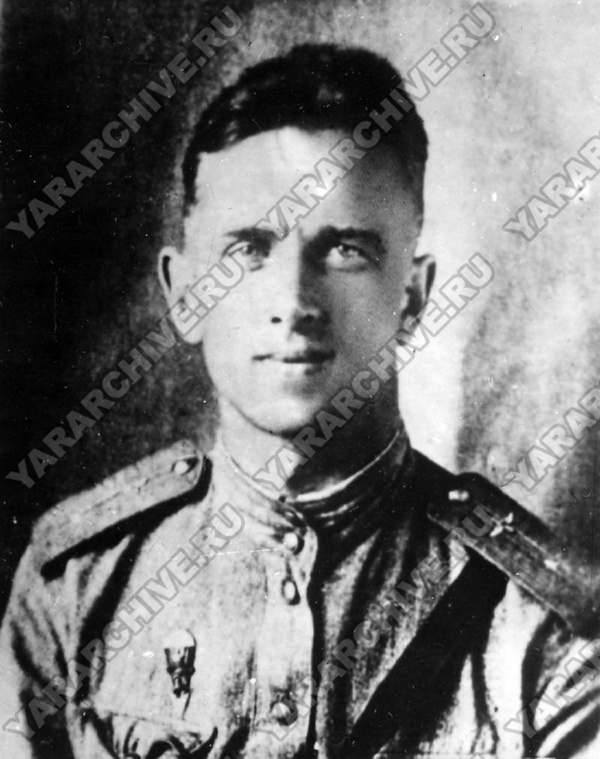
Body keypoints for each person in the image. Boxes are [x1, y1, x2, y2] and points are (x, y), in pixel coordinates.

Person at [1, 43, 598, 759]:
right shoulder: (77, 582)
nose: (293, 301)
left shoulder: (539, 630)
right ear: (185, 295)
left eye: (345, 249)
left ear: (412, 298)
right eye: (248, 249)